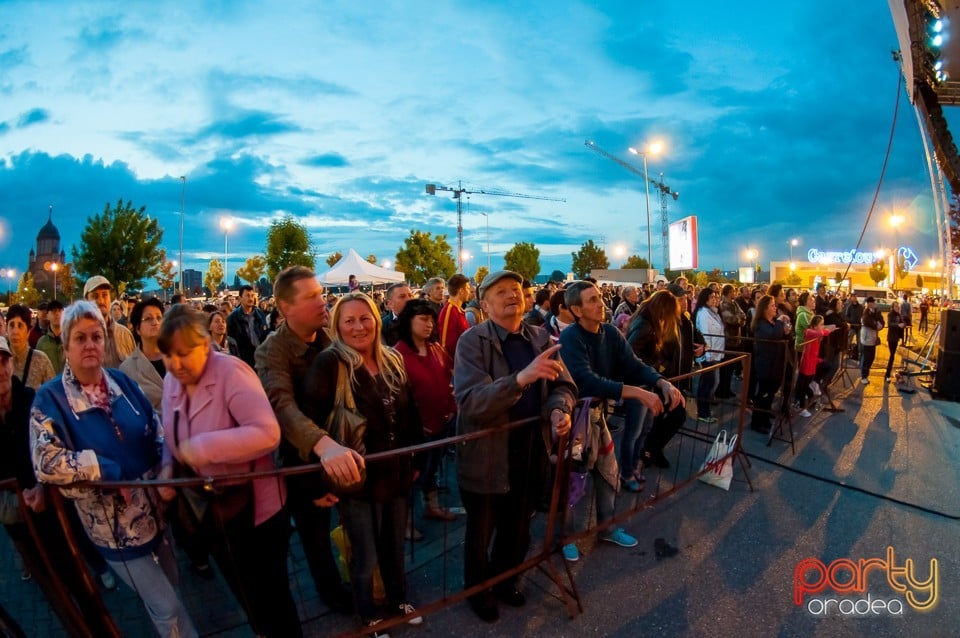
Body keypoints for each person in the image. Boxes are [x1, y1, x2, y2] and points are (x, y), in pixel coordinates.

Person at [31, 301, 197, 638]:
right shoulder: (50, 400)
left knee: (173, 592)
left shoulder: (121, 382)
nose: (90, 344)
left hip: (157, 512)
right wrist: (105, 470)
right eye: (80, 338)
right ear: (65, 346)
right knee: (165, 605)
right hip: (114, 530)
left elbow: (158, 427)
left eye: (96, 336)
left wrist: (167, 466)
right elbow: (45, 462)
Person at [158, 304, 301, 638]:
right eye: (168, 356)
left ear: (205, 345)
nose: (175, 365)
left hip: (257, 511)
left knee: (274, 597)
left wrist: (203, 446)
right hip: (214, 511)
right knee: (246, 595)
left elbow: (268, 433)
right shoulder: (171, 381)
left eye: (183, 354)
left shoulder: (231, 372)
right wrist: (168, 466)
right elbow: (171, 432)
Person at [453, 270, 575, 623]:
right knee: (481, 533)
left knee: (518, 529)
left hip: (530, 451)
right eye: (501, 291)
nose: (512, 295)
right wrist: (521, 379)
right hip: (487, 456)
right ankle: (478, 591)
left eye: (517, 289)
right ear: (485, 303)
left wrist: (558, 411)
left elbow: (563, 385)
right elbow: (472, 401)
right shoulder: (472, 342)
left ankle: (505, 581)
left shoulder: (539, 337)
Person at [301, 292, 424, 635]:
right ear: (338, 326)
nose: (359, 327)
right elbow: (310, 422)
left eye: (365, 318)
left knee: (394, 547)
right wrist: (318, 483)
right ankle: (368, 615)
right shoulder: (330, 364)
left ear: (376, 318)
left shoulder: (392, 360)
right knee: (365, 555)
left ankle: (398, 600)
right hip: (358, 480)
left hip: (396, 473)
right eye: (349, 320)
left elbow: (409, 411)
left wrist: (416, 458)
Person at [559, 281, 684, 562]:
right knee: (572, 479)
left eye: (599, 297)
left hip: (597, 415)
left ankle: (606, 527)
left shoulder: (611, 333)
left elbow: (634, 364)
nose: (600, 303)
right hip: (574, 418)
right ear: (576, 310)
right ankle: (566, 536)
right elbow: (585, 379)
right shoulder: (571, 338)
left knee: (608, 473)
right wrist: (635, 391)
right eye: (591, 300)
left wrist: (659, 381)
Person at [254, 266, 353, 614]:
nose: (322, 301)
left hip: (345, 454)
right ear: (285, 307)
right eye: (311, 296)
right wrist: (322, 448)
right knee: (315, 537)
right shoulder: (273, 351)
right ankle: (332, 592)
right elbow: (282, 406)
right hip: (303, 463)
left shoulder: (330, 339)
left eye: (320, 293)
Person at [393, 299, 458, 527]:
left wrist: (451, 408)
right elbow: (397, 399)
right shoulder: (397, 356)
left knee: (433, 470)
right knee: (413, 475)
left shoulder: (436, 349)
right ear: (408, 321)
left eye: (431, 319)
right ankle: (407, 522)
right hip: (417, 431)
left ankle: (432, 506)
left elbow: (450, 378)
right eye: (423, 319)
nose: (429, 324)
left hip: (441, 424)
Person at [749, 295, 792, 434]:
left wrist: (786, 332)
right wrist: (780, 322)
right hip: (766, 365)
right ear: (765, 309)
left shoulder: (772, 323)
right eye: (772, 306)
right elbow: (772, 336)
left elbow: (780, 336)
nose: (775, 308)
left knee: (770, 393)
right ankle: (757, 421)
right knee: (763, 394)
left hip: (775, 365)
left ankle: (766, 415)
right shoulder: (761, 325)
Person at [119, 298, 166, 414]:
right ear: (138, 329)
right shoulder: (127, 369)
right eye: (148, 319)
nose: (155, 322)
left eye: (159, 318)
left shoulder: (178, 358)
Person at [83, 276, 136, 367]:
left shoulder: (125, 335)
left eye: (105, 295)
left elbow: (135, 371)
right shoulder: (79, 338)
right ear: (86, 301)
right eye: (95, 296)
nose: (100, 300)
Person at [5, 305, 56, 390]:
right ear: (6, 329)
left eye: (20, 326)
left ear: (28, 332)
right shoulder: (2, 360)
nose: (15, 331)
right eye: (11, 325)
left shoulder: (40, 360)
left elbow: (54, 395)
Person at [693, 287, 724, 424]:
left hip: (715, 352)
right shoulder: (704, 313)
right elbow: (706, 335)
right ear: (705, 299)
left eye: (716, 297)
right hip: (708, 354)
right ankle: (703, 411)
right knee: (708, 382)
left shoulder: (714, 312)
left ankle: (704, 407)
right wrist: (709, 353)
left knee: (712, 381)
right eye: (712, 297)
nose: (715, 299)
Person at [227, 284, 270, 368]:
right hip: (244, 361)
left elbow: (265, 334)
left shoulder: (260, 314)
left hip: (261, 358)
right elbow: (232, 341)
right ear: (240, 298)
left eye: (252, 295)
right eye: (247, 295)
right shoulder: (233, 318)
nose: (250, 298)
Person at [717, 284, 746, 398]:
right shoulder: (723, 304)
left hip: (735, 339)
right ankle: (721, 390)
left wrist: (739, 319)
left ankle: (727, 389)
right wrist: (739, 319)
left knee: (731, 368)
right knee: (725, 368)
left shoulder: (734, 303)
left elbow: (743, 315)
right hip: (728, 339)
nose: (735, 293)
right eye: (733, 291)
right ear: (728, 292)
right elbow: (731, 319)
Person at [438, 274, 472, 362]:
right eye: (467, 288)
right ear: (461, 291)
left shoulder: (459, 310)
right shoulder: (449, 310)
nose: (469, 291)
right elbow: (444, 344)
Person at [860, 297, 885, 385]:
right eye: (872, 302)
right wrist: (876, 324)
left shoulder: (877, 311)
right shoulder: (866, 312)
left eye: (874, 302)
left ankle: (866, 375)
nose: (874, 304)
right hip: (866, 337)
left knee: (872, 357)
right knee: (867, 358)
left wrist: (879, 324)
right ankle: (864, 376)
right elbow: (867, 322)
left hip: (873, 338)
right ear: (869, 303)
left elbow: (882, 321)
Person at [36, 300, 65, 374]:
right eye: (54, 311)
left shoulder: (70, 339)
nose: (57, 314)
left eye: (60, 310)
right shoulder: (42, 343)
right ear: (47, 315)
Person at [381, 283, 414, 347]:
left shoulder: (422, 320)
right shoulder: (382, 326)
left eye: (410, 295)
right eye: (402, 296)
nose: (408, 299)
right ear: (389, 303)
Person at [885, 300, 906, 382]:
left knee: (892, 355)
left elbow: (904, 322)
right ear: (892, 307)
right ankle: (887, 374)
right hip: (891, 337)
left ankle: (888, 374)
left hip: (896, 337)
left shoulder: (899, 315)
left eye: (898, 306)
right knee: (892, 355)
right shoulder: (890, 314)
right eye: (896, 306)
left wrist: (902, 324)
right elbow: (890, 324)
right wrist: (898, 325)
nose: (897, 308)